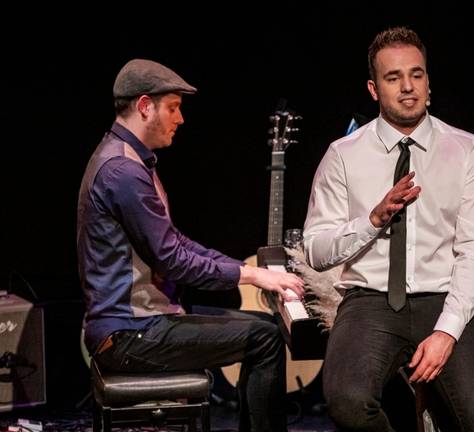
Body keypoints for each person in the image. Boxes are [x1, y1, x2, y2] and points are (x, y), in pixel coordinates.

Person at [76, 58, 304, 432]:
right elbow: (173, 260)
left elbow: (174, 242)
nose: (179, 119)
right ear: (145, 106)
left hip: (141, 323)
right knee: (265, 339)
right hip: (130, 334)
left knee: (262, 328)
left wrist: (251, 272)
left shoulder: (127, 159)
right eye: (173, 108)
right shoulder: (123, 171)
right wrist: (250, 275)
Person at [303, 27, 474, 431]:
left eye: (416, 75)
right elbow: (316, 250)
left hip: (444, 297)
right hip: (370, 302)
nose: (407, 87)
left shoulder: (466, 150)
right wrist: (372, 221)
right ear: (373, 88)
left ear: (428, 82)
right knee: (348, 400)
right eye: (393, 77)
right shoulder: (343, 155)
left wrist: (447, 333)